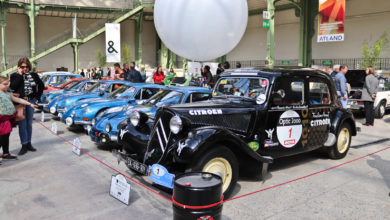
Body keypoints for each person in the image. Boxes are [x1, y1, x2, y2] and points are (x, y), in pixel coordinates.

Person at [10, 57, 44, 155]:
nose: (25, 68)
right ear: (19, 67)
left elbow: (41, 86)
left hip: (31, 102)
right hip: (20, 103)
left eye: (27, 66)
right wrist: (20, 75)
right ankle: (24, 145)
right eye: (22, 66)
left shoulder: (34, 75)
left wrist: (37, 98)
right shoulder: (14, 76)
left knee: (29, 124)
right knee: (22, 125)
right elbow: (12, 87)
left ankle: (29, 143)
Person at [0, 76, 39, 160]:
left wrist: (30, 104)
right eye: (5, 84)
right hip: (2, 119)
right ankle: (5, 153)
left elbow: (18, 100)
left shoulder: (7, 94)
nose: (7, 86)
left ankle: (5, 153)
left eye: (8, 84)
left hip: (8, 118)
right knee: (2, 137)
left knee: (6, 136)